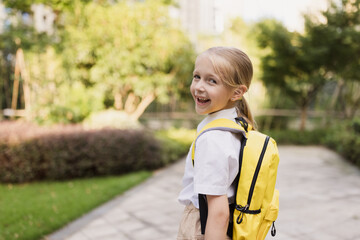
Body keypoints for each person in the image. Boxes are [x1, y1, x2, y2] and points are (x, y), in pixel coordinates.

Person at [177, 46, 256, 240]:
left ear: (237, 93)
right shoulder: (237, 123)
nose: (199, 87)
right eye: (197, 76)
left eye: (212, 80)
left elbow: (218, 211)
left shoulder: (213, 139)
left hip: (202, 225)